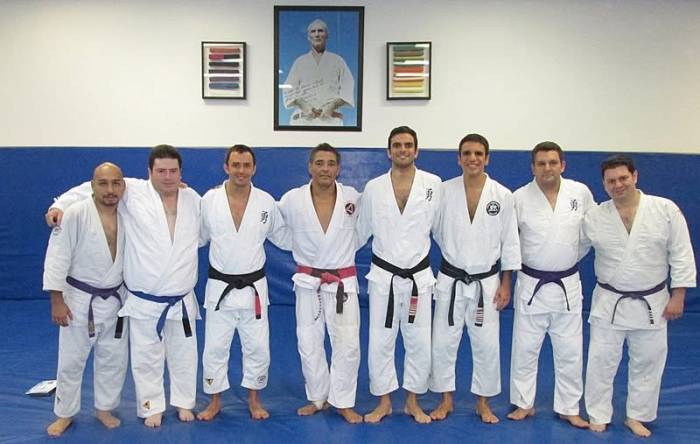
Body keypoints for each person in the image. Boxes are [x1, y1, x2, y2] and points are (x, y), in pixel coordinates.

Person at [45, 145, 201, 428]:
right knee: (132, 358)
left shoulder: (191, 199)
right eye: (161, 171)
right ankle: (72, 413)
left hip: (149, 297)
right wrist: (59, 205)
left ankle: (171, 403)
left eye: (173, 171)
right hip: (113, 298)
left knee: (136, 359)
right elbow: (89, 190)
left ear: (181, 172)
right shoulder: (128, 194)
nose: (167, 176)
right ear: (149, 172)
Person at [583, 155, 696, 437]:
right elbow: (573, 249)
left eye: (623, 178)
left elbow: (681, 253)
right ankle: (598, 413)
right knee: (601, 360)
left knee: (648, 360)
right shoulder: (595, 216)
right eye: (611, 181)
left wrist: (679, 295)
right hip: (609, 300)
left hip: (653, 301)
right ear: (604, 185)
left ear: (635, 176)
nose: (618, 185)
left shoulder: (664, 210)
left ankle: (637, 415)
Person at [429, 133, 520, 424]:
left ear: (487, 158)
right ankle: (446, 399)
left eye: (478, 153)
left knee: (486, 344)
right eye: (467, 153)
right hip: (451, 278)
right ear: (459, 159)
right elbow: (433, 229)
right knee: (443, 342)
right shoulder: (444, 191)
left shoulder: (502, 195)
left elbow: (510, 241)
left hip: (487, 281)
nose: (473, 158)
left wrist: (506, 282)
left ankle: (483, 402)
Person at [357, 126, 442, 424]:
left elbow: (442, 230)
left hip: (419, 278)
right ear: (388, 151)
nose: (402, 150)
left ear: (416, 150)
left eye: (408, 145)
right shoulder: (374, 188)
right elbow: (360, 231)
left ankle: (412, 402)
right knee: (380, 340)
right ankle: (384, 402)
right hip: (384, 278)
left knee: (419, 341)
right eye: (397, 145)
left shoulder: (433, 184)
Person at [507, 142, 593, 428]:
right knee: (525, 348)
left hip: (567, 283)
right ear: (532, 167)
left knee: (570, 350)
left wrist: (565, 259)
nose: (547, 168)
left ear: (562, 165)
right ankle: (523, 403)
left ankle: (569, 407)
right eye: (541, 163)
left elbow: (589, 235)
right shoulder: (519, 197)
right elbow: (510, 242)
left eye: (553, 162)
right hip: (531, 283)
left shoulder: (580, 193)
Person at [197, 145, 286, 421]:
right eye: (235, 164)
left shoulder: (266, 202)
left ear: (254, 168)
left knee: (257, 347)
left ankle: (254, 400)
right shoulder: (209, 201)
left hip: (254, 290)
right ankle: (215, 401)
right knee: (214, 348)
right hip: (219, 289)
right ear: (226, 167)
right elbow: (196, 237)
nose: (241, 170)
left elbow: (283, 236)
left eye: (246, 165)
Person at [277, 143, 363, 423]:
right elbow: (271, 223)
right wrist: (297, 246)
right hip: (308, 281)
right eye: (319, 163)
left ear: (338, 168)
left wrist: (343, 250)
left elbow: (367, 227)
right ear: (310, 167)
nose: (325, 168)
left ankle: (343, 401)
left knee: (347, 343)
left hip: (342, 281)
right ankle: (317, 397)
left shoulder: (353, 198)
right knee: (309, 341)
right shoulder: (292, 200)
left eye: (330, 163)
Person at [43, 163, 128, 437]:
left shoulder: (129, 211)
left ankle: (105, 408)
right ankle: (65, 413)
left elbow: (148, 187)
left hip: (116, 298)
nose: (110, 189)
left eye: (116, 183)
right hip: (79, 299)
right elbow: (57, 257)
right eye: (103, 183)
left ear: (123, 185)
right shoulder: (75, 213)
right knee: (71, 360)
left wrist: (175, 188)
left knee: (113, 358)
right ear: (92, 186)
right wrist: (57, 300)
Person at [283, 19, 354, 126]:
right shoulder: (300, 62)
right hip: (303, 120)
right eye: (313, 31)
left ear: (326, 35)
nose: (317, 34)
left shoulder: (337, 61)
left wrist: (332, 105)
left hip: (330, 120)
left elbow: (348, 85)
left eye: (320, 31)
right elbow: (288, 88)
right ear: (308, 37)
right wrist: (302, 104)